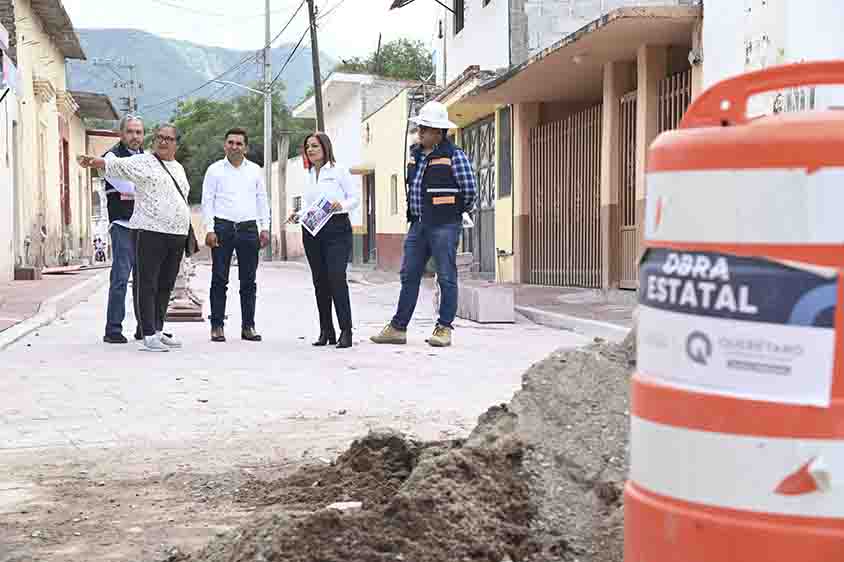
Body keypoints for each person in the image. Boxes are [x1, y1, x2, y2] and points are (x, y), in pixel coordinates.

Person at [370, 101, 476, 348]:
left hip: (444, 225)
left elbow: (470, 191)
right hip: (418, 225)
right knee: (409, 275)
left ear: (438, 132)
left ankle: (444, 328)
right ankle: (398, 328)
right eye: (419, 127)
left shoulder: (454, 156)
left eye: (425, 128)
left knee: (446, 276)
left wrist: (452, 214)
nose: (420, 132)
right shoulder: (416, 156)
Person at [78, 124, 191, 352]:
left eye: (169, 139)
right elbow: (117, 165)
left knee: (165, 285)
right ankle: (147, 334)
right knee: (147, 283)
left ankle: (158, 330)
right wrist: (94, 161)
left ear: (176, 144)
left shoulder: (178, 167)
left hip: (176, 234)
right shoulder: (144, 161)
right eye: (159, 137)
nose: (163, 142)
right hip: (149, 232)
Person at [290, 132, 359, 349]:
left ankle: (346, 331)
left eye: (315, 146)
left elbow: (354, 198)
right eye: (307, 147)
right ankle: (326, 330)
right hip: (312, 230)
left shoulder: (338, 171)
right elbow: (313, 206)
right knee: (320, 281)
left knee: (337, 278)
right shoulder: (309, 174)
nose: (310, 150)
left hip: (337, 229)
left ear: (325, 148)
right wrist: (299, 214)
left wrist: (342, 205)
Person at [201, 127, 270, 343]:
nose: (234, 146)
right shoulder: (214, 170)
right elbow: (207, 201)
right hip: (222, 228)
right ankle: (217, 326)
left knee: (248, 281)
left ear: (246, 147)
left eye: (239, 143)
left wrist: (265, 227)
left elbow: (262, 200)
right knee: (219, 279)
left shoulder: (255, 170)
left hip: (249, 229)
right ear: (225, 145)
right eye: (231, 142)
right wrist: (209, 229)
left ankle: (248, 326)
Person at [102, 114, 144, 344]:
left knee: (145, 280)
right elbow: (127, 187)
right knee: (120, 278)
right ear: (121, 134)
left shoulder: (148, 158)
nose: (135, 136)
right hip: (123, 226)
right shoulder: (111, 157)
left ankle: (144, 327)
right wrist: (143, 187)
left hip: (145, 227)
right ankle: (113, 329)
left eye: (138, 132)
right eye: (130, 132)